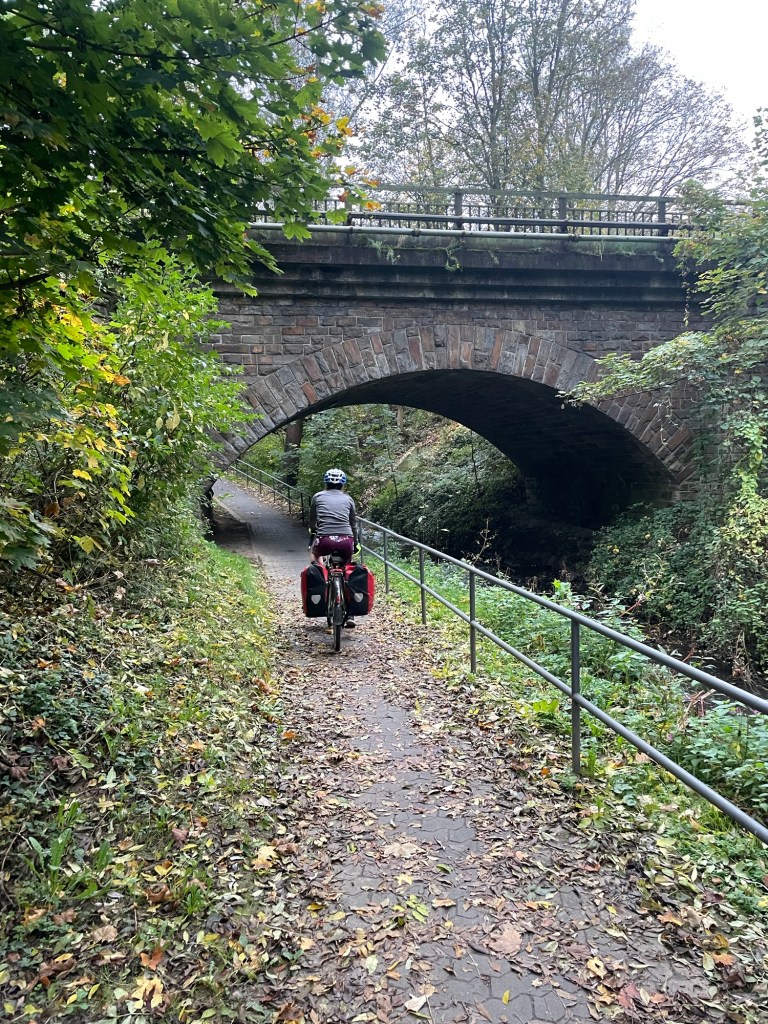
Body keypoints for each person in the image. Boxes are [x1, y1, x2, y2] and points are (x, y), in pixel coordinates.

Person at [309, 468, 359, 627]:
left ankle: (323, 577)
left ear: (326, 483)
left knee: (314, 555)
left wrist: (313, 533)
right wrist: (356, 543)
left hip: (324, 540)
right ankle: (350, 615)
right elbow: (353, 524)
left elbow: (312, 522)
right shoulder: (348, 499)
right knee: (347, 568)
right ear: (343, 485)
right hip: (346, 540)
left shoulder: (317, 497)